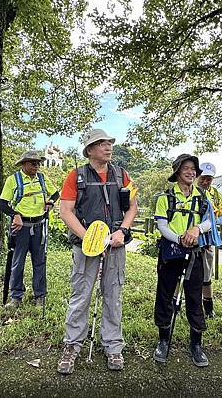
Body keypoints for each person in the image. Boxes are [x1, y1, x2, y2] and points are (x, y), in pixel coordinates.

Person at [57, 129, 138, 374]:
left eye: (109, 143)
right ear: (89, 150)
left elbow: (133, 207)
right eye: (101, 144)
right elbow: (66, 211)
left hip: (115, 243)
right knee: (81, 294)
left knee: (113, 294)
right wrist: (90, 239)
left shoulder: (123, 175)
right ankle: (72, 345)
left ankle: (113, 345)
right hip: (86, 247)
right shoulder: (76, 176)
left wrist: (121, 231)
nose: (107, 147)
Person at [152, 154, 212, 367]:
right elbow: (162, 225)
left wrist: (195, 229)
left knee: (195, 296)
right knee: (165, 295)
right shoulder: (164, 197)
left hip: (194, 252)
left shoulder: (203, 197)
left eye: (193, 169)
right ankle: (163, 340)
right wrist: (179, 239)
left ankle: (196, 344)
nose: (191, 172)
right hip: (171, 251)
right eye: (186, 168)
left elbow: (209, 223)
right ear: (177, 171)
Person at [0, 150, 57, 307]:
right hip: (21, 227)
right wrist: (15, 214)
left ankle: (40, 296)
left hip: (39, 227)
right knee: (18, 262)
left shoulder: (42, 179)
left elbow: (56, 194)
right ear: (23, 164)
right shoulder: (13, 180)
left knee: (39, 262)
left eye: (38, 163)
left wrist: (50, 202)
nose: (36, 166)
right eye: (33, 163)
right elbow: (3, 204)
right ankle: (16, 297)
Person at [197, 162, 222, 318]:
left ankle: (208, 308)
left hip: (208, 239)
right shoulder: (191, 191)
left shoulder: (216, 194)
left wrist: (212, 222)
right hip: (191, 237)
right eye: (203, 178)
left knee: (206, 273)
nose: (205, 182)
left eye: (209, 179)